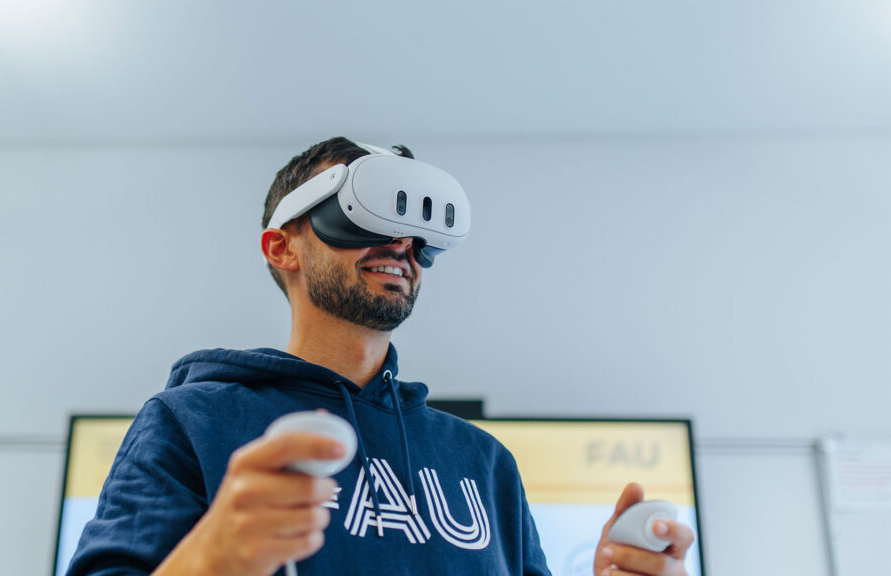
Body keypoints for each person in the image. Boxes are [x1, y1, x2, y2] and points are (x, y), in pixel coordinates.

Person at [66, 137, 695, 576]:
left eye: (417, 231)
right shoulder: (191, 421)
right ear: (282, 248)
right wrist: (214, 560)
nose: (401, 243)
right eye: (362, 215)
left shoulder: (485, 462)